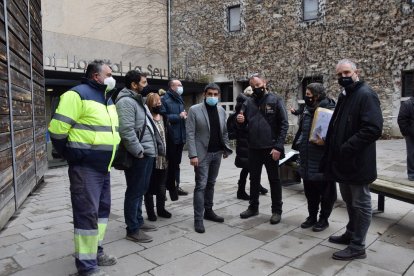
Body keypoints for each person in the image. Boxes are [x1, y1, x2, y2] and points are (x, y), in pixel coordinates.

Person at [48, 60, 120, 276]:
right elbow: (57, 130)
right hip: (86, 168)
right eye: (108, 73)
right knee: (86, 215)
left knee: (101, 213)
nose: (112, 77)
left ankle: (95, 252)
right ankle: (87, 268)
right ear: (95, 76)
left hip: (103, 167)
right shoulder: (77, 94)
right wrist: (74, 155)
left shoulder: (106, 98)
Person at [322, 59, 383, 260]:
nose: (343, 77)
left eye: (346, 73)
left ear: (356, 72)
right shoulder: (346, 95)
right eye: (339, 74)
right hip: (343, 162)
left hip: (358, 162)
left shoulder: (366, 94)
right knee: (348, 201)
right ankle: (351, 232)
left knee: (361, 203)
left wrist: (346, 148)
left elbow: (373, 129)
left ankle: (358, 246)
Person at [236, 73, 289, 224]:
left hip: (271, 148)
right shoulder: (248, 102)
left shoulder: (276, 99)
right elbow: (243, 125)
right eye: (253, 87)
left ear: (265, 83)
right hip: (253, 148)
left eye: (258, 86)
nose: (256, 89)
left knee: (274, 180)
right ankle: (253, 207)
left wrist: (278, 146)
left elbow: (284, 124)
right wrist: (240, 121)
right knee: (254, 179)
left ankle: (276, 211)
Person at [116, 70, 160, 243]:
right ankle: (132, 229)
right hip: (138, 155)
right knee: (134, 191)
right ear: (134, 85)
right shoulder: (126, 102)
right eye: (143, 82)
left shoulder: (138, 101)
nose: (146, 85)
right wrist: (139, 152)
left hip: (146, 152)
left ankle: (139, 221)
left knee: (141, 190)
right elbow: (126, 131)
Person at [186, 83, 233, 233]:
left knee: (211, 184)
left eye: (215, 94)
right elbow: (190, 134)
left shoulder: (221, 110)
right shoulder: (194, 110)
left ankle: (209, 211)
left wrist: (225, 148)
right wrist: (193, 154)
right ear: (204, 95)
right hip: (201, 155)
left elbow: (224, 131)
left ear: (218, 96)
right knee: (201, 185)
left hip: (217, 153)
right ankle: (198, 219)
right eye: (210, 94)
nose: (212, 97)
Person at [292, 83, 337, 232]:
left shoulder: (329, 111)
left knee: (326, 193)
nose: (306, 97)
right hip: (306, 158)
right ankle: (311, 216)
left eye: (309, 95)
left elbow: (335, 136)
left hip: (321, 161)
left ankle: (323, 219)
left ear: (317, 96)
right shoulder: (306, 111)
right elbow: (303, 132)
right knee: (310, 192)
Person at [227, 86, 268, 200]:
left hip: (250, 141)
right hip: (246, 141)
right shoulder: (246, 104)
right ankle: (241, 190)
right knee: (247, 167)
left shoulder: (246, 103)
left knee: (251, 167)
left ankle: (256, 186)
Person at [144, 92, 173, 221]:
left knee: (162, 186)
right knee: (149, 187)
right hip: (151, 157)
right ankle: (151, 212)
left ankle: (161, 209)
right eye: (156, 102)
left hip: (164, 158)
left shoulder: (164, 117)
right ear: (150, 104)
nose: (159, 104)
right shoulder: (146, 118)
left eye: (160, 102)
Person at [162, 79, 188, 196]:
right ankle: (164, 187)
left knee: (176, 164)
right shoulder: (165, 100)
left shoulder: (179, 99)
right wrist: (179, 116)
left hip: (180, 137)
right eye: (179, 85)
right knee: (168, 164)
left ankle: (176, 186)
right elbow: (163, 117)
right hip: (171, 138)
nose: (181, 87)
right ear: (172, 86)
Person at [397, 97, 414, 181]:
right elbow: (401, 120)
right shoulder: (407, 104)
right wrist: (408, 132)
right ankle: (412, 174)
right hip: (411, 135)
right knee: (412, 154)